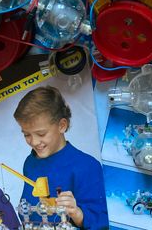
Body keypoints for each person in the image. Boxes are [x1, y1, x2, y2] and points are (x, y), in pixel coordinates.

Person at [14, 86, 109, 230]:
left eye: (41, 134)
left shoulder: (87, 166)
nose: (34, 142)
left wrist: (77, 213)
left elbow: (101, 222)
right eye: (27, 134)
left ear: (62, 126)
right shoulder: (30, 162)